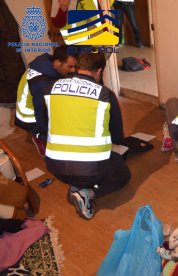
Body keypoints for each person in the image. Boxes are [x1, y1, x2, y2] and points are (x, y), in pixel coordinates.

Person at [42, 52, 131, 220]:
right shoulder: (105, 94)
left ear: (78, 67)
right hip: (91, 169)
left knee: (86, 168)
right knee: (122, 173)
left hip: (55, 166)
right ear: (99, 71)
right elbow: (117, 137)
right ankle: (87, 192)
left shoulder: (51, 87)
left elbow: (48, 122)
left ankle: (76, 185)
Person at [14, 46, 78, 156]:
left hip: (36, 105)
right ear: (58, 63)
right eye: (71, 67)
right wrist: (45, 133)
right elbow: (41, 113)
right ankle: (38, 137)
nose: (73, 70)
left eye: (75, 66)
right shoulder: (41, 82)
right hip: (28, 116)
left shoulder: (48, 65)